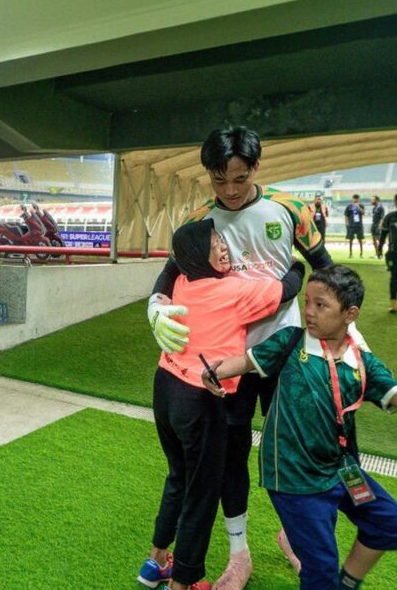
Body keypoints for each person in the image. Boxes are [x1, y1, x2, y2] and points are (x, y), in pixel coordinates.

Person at [147, 126, 367, 589]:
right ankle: (238, 554)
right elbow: (168, 276)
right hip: (230, 363)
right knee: (230, 455)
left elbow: (324, 267)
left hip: (289, 350)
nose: (229, 190)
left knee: (306, 446)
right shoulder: (198, 219)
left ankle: (295, 536)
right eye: (219, 180)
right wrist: (155, 309)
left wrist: (347, 325)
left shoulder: (289, 208)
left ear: (255, 168)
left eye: (239, 179)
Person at [202, 265, 397, 590]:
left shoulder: (362, 363)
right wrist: (215, 372)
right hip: (293, 477)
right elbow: (244, 362)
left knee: (388, 521)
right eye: (307, 302)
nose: (309, 312)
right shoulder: (290, 342)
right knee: (320, 568)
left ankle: (346, 584)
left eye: (321, 304)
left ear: (350, 314)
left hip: (340, 470)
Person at [140, 219, 306, 590]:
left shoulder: (183, 282)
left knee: (178, 476)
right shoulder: (234, 290)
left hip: (164, 388)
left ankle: (155, 562)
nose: (224, 246)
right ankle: (184, 583)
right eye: (215, 242)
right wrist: (297, 265)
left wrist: (154, 302)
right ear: (199, 254)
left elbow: (169, 273)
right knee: (202, 494)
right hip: (199, 400)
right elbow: (286, 290)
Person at [344, 194, 366, 259]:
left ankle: (361, 254)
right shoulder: (349, 206)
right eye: (354, 198)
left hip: (359, 225)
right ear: (352, 199)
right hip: (351, 225)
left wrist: (358, 207)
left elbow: (363, 213)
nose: (355, 200)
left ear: (358, 199)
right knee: (351, 239)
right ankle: (350, 254)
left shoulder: (361, 205)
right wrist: (346, 223)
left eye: (357, 198)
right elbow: (346, 215)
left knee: (360, 239)